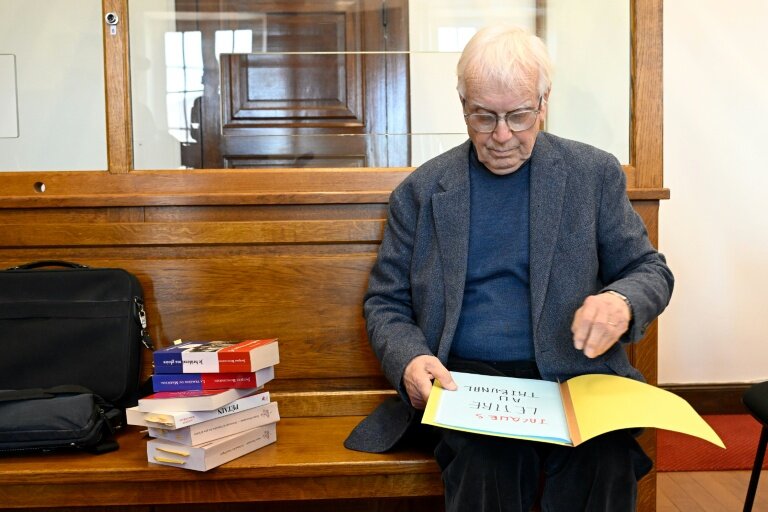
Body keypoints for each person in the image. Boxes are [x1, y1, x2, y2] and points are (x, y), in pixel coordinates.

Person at [344, 23, 674, 512]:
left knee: (605, 460)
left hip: (573, 376)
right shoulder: (422, 191)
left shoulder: (592, 174)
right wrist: (411, 361)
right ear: (463, 107)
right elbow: (386, 302)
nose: (501, 136)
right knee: (487, 464)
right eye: (483, 117)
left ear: (543, 104)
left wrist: (621, 302)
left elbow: (650, 270)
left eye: (518, 117)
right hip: (468, 382)